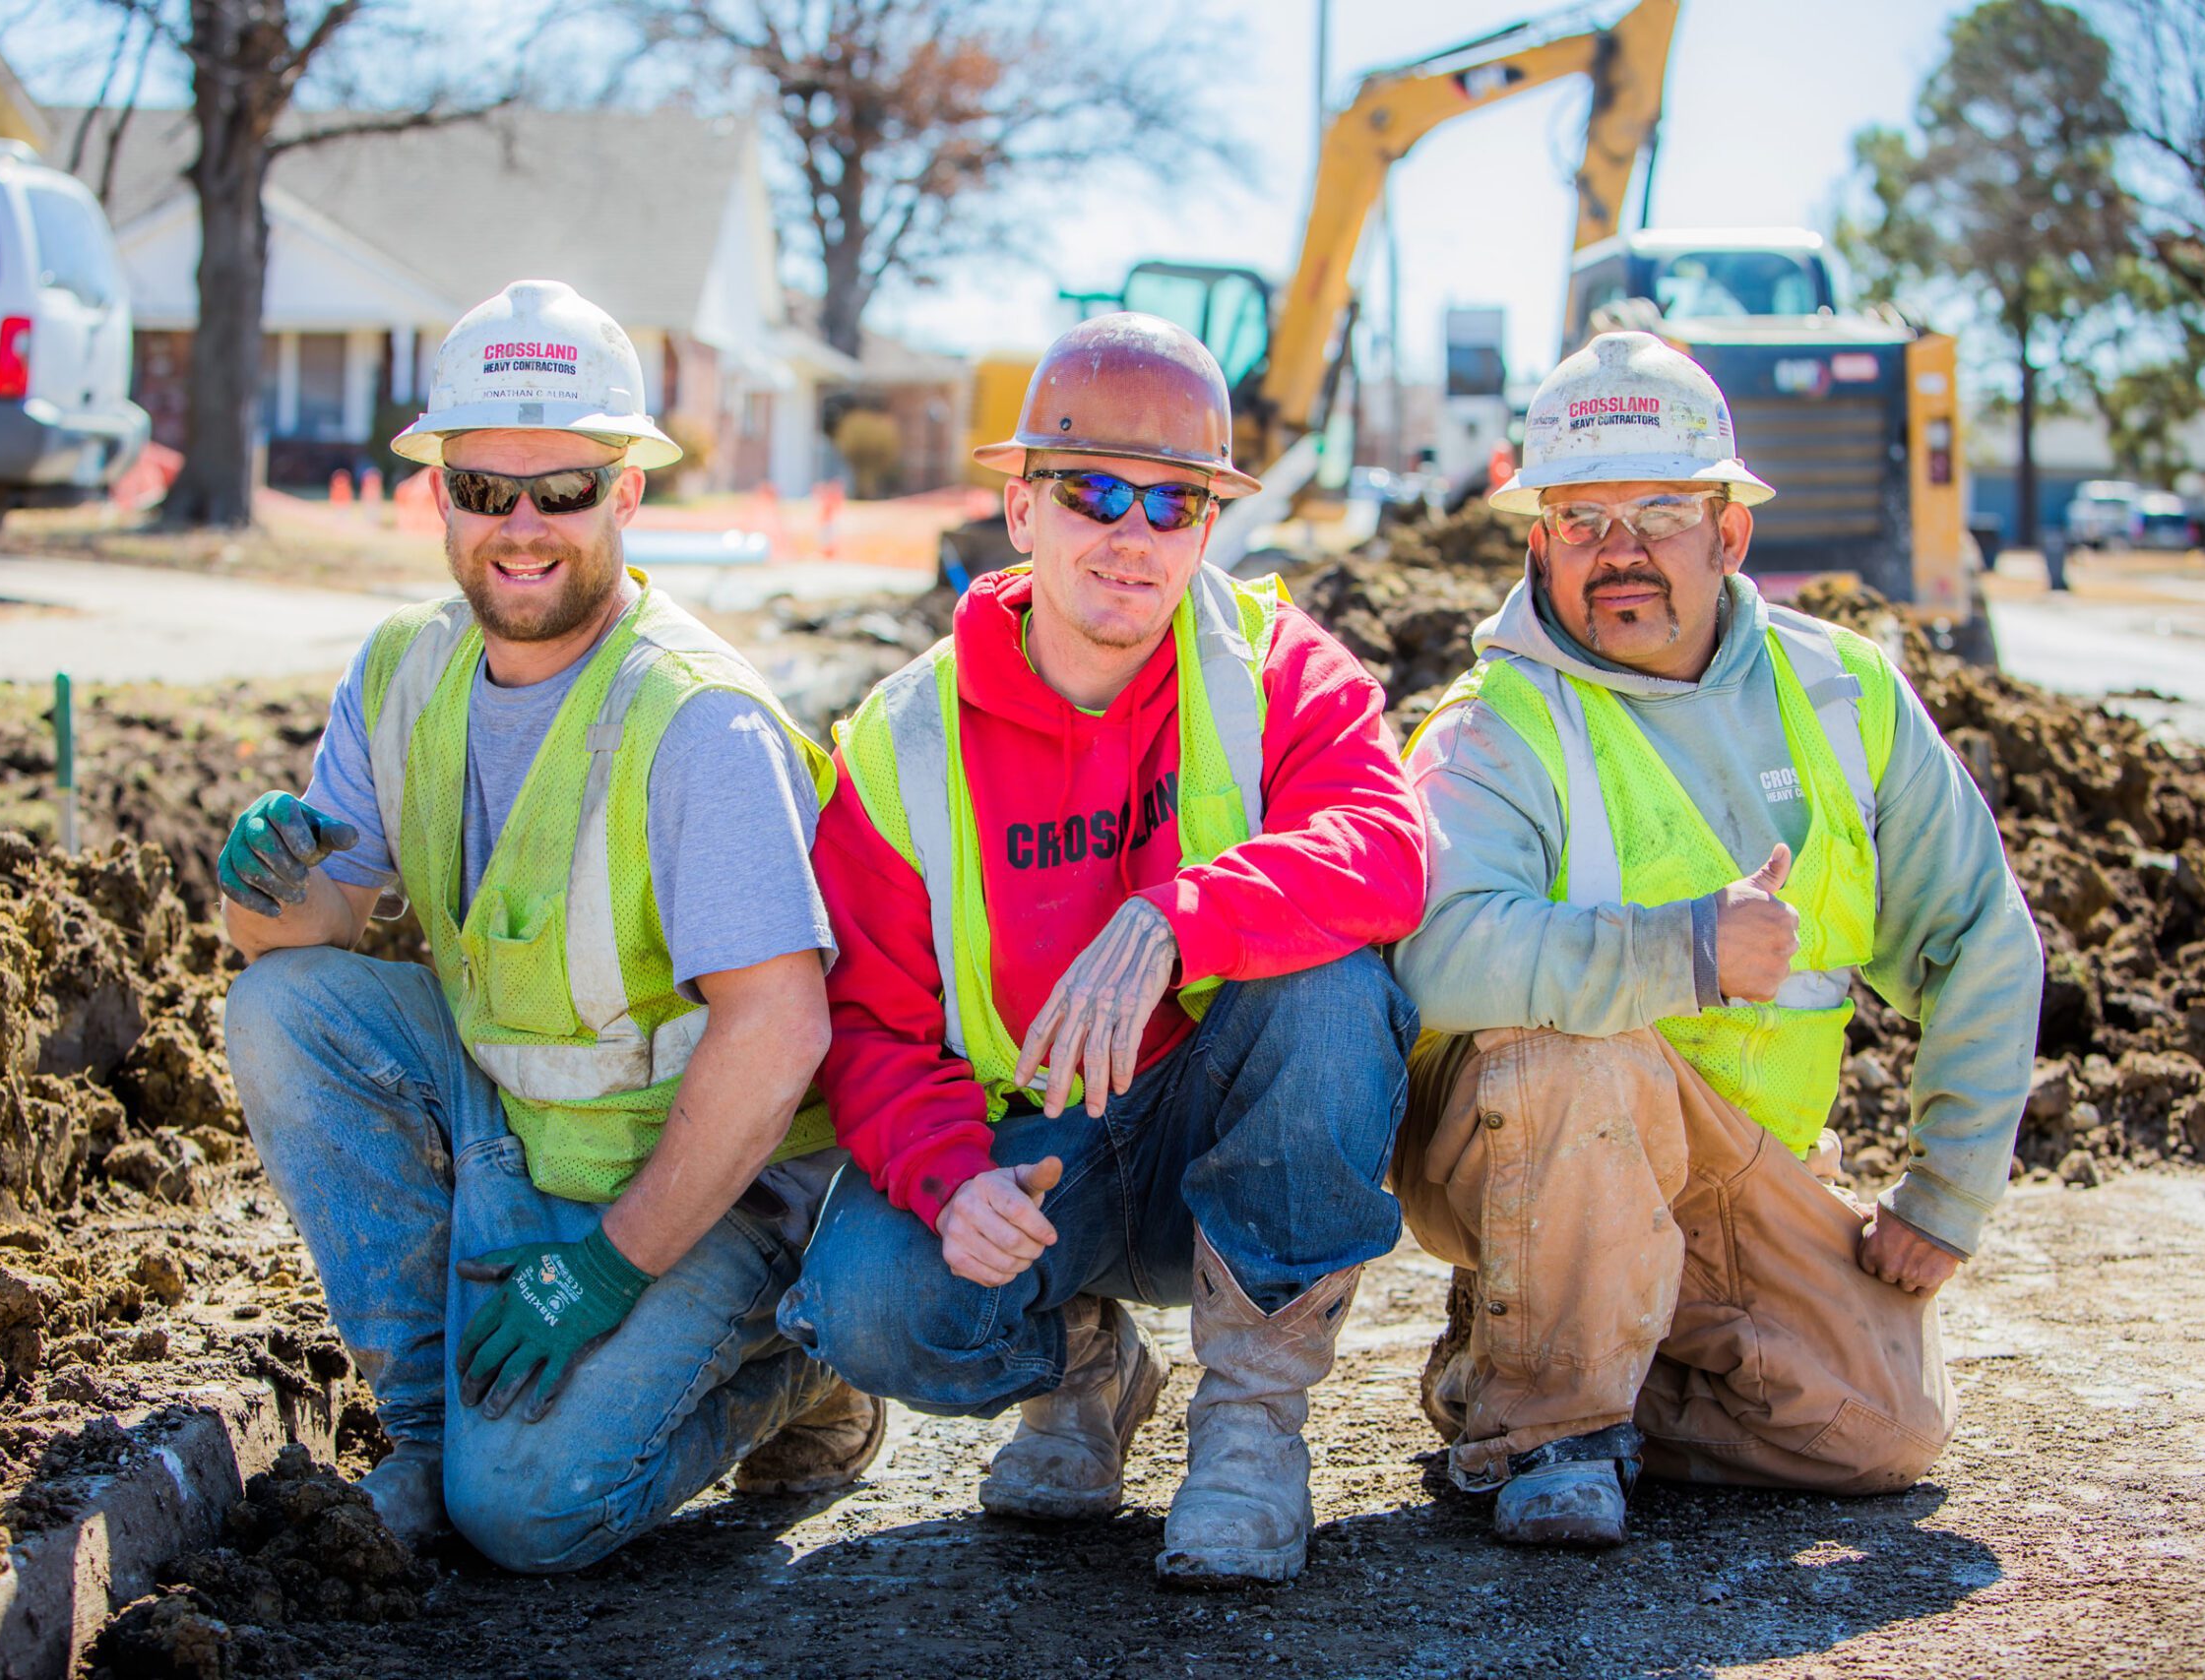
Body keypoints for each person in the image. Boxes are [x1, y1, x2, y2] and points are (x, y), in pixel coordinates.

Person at [215, 280, 881, 1572]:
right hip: (524, 1129)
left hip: (722, 1184)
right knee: (280, 1008)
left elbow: (780, 1024)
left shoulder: (697, 722)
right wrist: (260, 884)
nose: (521, 526)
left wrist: (608, 1268)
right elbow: (303, 930)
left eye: (563, 489)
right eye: (486, 487)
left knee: (529, 1508)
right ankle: (422, 1428)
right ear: (440, 491)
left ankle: (803, 1369)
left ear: (627, 491)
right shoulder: (403, 669)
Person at [777, 313, 1430, 1586]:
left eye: (1175, 502)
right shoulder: (906, 740)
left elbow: (1389, 846)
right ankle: (1083, 1363)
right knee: (868, 1298)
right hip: (1041, 1158)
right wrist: (944, 1172)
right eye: (1093, 491)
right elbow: (869, 1021)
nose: (1134, 533)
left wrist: (1182, 910)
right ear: (1020, 510)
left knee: (1329, 977)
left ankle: (1250, 1421)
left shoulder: (1274, 667)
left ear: (1209, 524)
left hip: (1224, 1129)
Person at [1391, 330, 2044, 1546]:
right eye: (1581, 519)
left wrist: (1943, 1192)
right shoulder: (1496, 726)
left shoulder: (1843, 695)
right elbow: (1439, 952)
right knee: (1571, 1055)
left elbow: (1981, 938)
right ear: (1537, 540)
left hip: (1746, 1163)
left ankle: (1530, 1354)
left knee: (1881, 1431)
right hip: (1530, 1142)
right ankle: (1548, 1429)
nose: (1618, 550)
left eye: (1659, 512)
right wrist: (1685, 949)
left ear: (1727, 534)